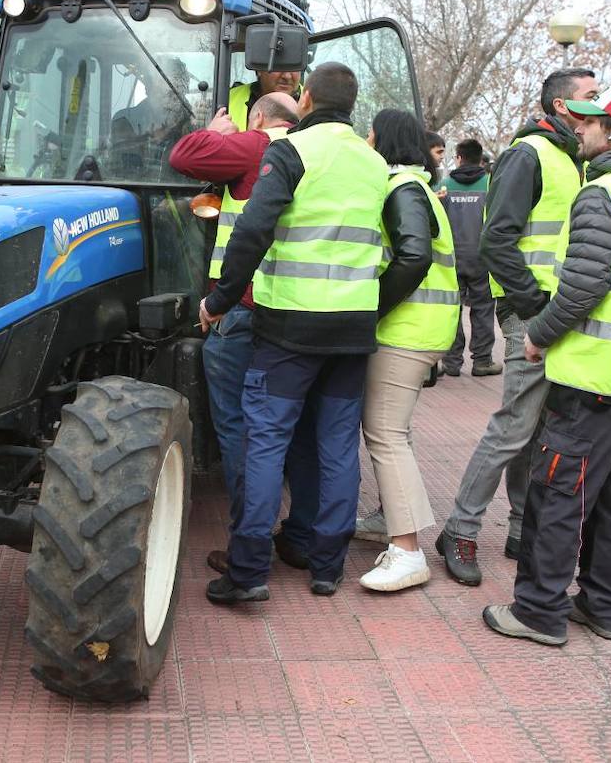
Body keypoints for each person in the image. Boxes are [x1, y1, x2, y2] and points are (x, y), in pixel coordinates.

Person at [482, 86, 611, 645]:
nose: (583, 128)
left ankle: (539, 612)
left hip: (593, 376)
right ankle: (603, 605)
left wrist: (539, 338)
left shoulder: (605, 194)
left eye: (595, 122)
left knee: (558, 495)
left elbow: (581, 289)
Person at [199, 62, 388, 603]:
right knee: (335, 447)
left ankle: (249, 570)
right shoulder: (375, 163)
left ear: (304, 99)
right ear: (353, 105)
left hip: (287, 330)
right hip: (353, 329)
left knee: (265, 443)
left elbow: (253, 230)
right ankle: (327, 568)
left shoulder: (291, 153)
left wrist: (218, 299)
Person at [438, 67, 597, 586]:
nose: (600, 107)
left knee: (535, 428)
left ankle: (519, 527)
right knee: (514, 428)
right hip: (533, 311)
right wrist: (532, 303)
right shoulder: (527, 155)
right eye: (590, 98)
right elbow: (496, 239)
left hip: (554, 310)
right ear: (560, 107)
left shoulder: (569, 160)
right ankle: (460, 530)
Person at [168, 93, 316, 577]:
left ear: (258, 118)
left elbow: (183, 155)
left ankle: (246, 540)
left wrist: (217, 133)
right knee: (294, 429)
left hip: (242, 306)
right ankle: (301, 535)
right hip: (295, 309)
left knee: (239, 428)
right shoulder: (315, 150)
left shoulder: (257, 144)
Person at [355, 109, 459, 592]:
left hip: (406, 329)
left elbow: (413, 255)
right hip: (425, 327)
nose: (367, 139)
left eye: (371, 133)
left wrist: (372, 307)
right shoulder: (418, 187)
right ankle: (390, 522)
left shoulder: (401, 189)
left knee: (384, 434)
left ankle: (407, 550)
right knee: (395, 432)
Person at [437, 138, 499, 379]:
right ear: (479, 157)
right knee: (483, 309)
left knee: (453, 310)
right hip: (482, 258)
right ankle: (482, 361)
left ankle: (452, 362)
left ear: (459, 158)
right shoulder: (490, 184)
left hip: (452, 259)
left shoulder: (445, 184)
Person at [227, 68, 301, 129]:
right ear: (259, 68)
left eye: (295, 66)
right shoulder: (226, 99)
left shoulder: (312, 103)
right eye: (278, 65)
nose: (287, 76)